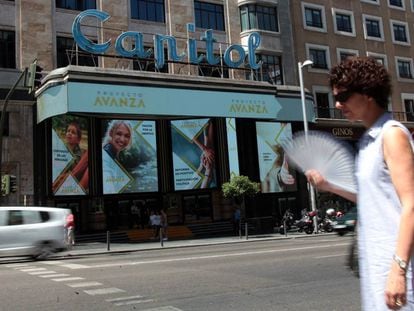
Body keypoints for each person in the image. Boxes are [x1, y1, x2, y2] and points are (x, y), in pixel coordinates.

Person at [305, 57, 414, 310]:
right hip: (376, 265)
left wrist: (398, 270)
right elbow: (373, 198)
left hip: (398, 265)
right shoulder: (368, 140)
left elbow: (410, 204)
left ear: (367, 93)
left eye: (343, 96)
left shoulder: (392, 134)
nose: (337, 103)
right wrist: (329, 185)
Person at [53, 121, 89, 193]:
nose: (69, 133)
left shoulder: (81, 155)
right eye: (68, 131)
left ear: (78, 140)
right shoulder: (60, 150)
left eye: (73, 132)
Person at [102, 120, 133, 193]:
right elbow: (108, 190)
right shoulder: (106, 155)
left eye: (127, 136)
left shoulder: (112, 153)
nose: (122, 139)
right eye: (119, 134)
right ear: (111, 133)